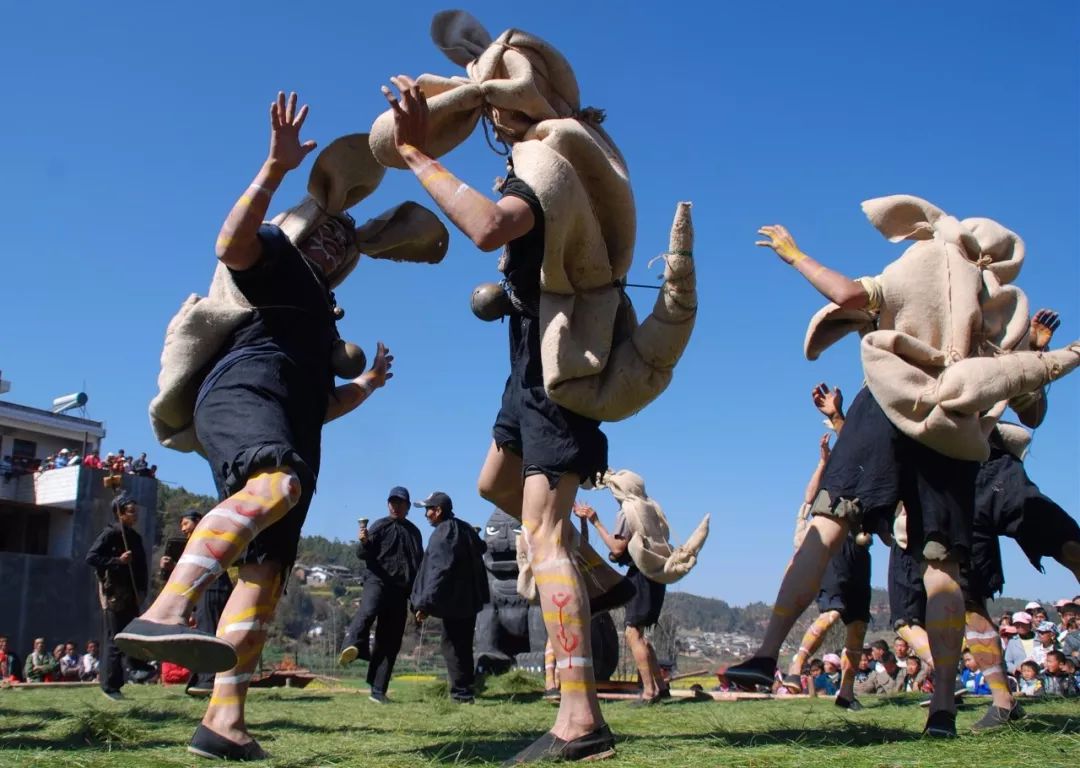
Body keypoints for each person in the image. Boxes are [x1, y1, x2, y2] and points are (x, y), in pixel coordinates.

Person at [371, 11, 700, 762]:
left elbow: (489, 226)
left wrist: (420, 153)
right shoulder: (557, 151)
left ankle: (580, 719)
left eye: (490, 103)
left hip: (562, 367)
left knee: (542, 533)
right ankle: (598, 579)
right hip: (529, 358)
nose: (485, 114)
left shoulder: (549, 159)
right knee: (496, 481)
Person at [115, 90, 439, 760]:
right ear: (303, 230)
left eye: (344, 240)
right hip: (242, 393)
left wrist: (366, 387)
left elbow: (322, 406)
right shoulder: (280, 263)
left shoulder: (322, 319)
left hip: (293, 425)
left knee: (263, 581)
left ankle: (223, 723)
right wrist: (273, 169)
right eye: (327, 228)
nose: (335, 239)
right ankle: (166, 611)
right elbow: (232, 243)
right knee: (276, 485)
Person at [726, 204, 1079, 738]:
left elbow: (849, 296)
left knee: (828, 524)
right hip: (953, 434)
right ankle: (941, 708)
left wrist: (794, 255)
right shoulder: (1006, 308)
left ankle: (768, 652)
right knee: (944, 568)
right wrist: (1038, 355)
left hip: (892, 406)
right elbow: (1027, 404)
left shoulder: (923, 260)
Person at [574, 499, 669, 706]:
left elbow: (617, 548)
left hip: (641, 576)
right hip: (653, 574)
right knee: (639, 634)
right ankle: (661, 687)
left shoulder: (628, 512)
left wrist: (595, 521)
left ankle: (650, 692)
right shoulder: (650, 509)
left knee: (632, 633)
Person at [338, 486, 423, 704]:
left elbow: (418, 566)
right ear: (388, 505)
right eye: (392, 502)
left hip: (400, 591)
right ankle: (351, 645)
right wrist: (364, 541)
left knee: (390, 640)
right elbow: (363, 554)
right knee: (367, 611)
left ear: (407, 506)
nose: (395, 506)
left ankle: (378, 691)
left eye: (400, 503)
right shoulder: (380, 526)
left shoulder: (414, 533)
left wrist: (418, 600)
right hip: (377, 581)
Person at [410, 492, 488, 704]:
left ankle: (460, 694)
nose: (426, 514)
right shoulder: (464, 528)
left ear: (438, 511)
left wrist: (425, 603)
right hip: (470, 599)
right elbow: (483, 547)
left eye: (429, 510)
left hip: (454, 601)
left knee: (451, 645)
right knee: (462, 645)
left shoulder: (442, 534)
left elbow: (439, 570)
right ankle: (467, 689)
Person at [86, 492, 149, 699]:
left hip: (131, 594)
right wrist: (117, 561)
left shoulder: (135, 537)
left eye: (136, 512)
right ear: (120, 513)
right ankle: (110, 685)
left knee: (130, 634)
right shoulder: (110, 534)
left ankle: (137, 668)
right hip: (114, 593)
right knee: (114, 637)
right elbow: (92, 557)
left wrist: (142, 591)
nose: (135, 516)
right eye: (131, 512)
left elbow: (141, 568)